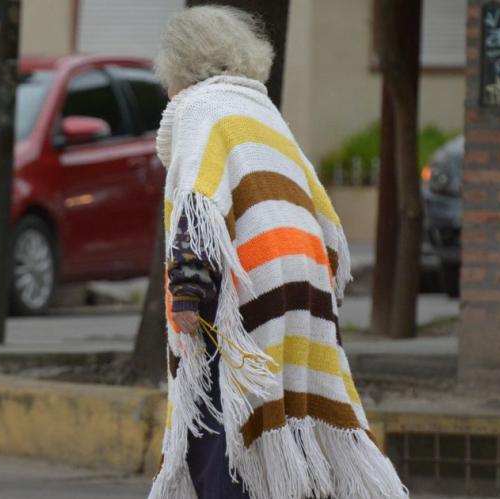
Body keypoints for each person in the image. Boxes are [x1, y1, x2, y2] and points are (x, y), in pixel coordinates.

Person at [148, 6, 407, 499]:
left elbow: (199, 201)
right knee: (283, 419)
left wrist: (186, 289)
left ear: (179, 63)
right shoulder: (261, 111)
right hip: (299, 281)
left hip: (245, 284)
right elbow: (317, 205)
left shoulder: (201, 107)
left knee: (221, 430)